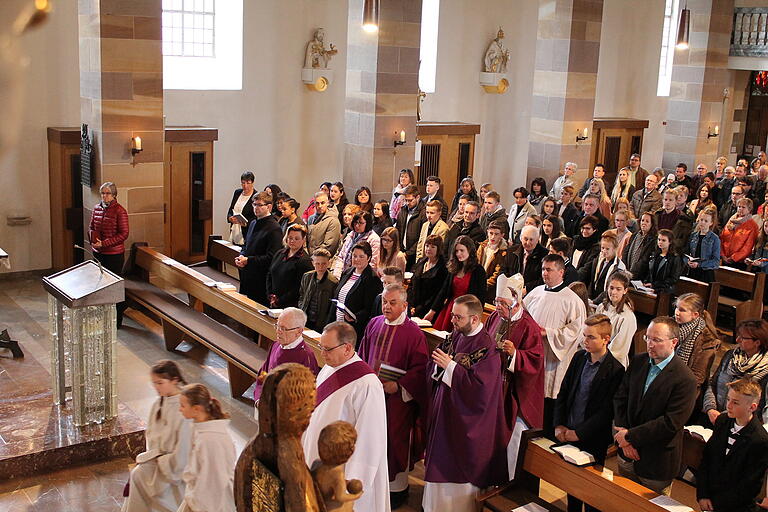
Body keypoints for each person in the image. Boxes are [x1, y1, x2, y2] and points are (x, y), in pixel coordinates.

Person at [423, 295, 510, 512]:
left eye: (458, 317)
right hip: (445, 414)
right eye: (453, 315)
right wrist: (439, 368)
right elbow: (436, 363)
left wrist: (450, 367)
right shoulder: (455, 335)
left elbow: (482, 390)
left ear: (474, 319)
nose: (452, 320)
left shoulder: (488, 348)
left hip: (467, 424)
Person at [303, 321, 390, 512]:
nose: (322, 354)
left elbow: (369, 439)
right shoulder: (328, 368)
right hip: (317, 461)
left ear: (347, 348)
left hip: (342, 473)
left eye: (327, 349)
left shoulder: (367, 385)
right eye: (321, 347)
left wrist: (350, 483)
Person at [357, 284, 429, 508]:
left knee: (393, 442)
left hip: (397, 403)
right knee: (369, 439)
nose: (386, 307)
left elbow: (420, 371)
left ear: (405, 305)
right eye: (384, 302)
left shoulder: (414, 333)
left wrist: (398, 386)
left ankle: (396, 491)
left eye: (392, 303)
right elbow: (362, 355)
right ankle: (369, 485)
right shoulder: (374, 323)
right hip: (372, 397)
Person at [613, 316, 697, 496]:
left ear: (674, 342)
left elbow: (670, 422)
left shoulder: (685, 379)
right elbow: (621, 398)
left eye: (656, 340)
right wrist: (624, 437)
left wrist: (630, 437)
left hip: (656, 460)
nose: (650, 344)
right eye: (648, 338)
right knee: (619, 502)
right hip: (626, 452)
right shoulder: (638, 361)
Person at [554, 314, 625, 512]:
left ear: (606, 339)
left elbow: (606, 411)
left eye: (591, 337)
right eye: (584, 336)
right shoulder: (578, 358)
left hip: (593, 438)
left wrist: (580, 433)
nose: (585, 340)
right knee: (572, 487)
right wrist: (559, 424)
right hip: (569, 431)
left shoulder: (615, 370)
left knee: (591, 491)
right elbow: (565, 391)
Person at [486, 274, 545, 479]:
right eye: (497, 302)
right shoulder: (495, 318)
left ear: (516, 302)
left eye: (503, 303)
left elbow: (536, 360)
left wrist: (515, 355)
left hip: (512, 392)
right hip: (491, 389)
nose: (498, 307)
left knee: (509, 440)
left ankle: (505, 481)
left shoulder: (530, 327)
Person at [524, 254, 587, 434]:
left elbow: (576, 332)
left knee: (548, 402)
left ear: (561, 272)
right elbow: (524, 317)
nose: (545, 273)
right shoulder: (535, 293)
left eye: (549, 270)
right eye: (543, 269)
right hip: (532, 355)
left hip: (553, 359)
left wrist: (548, 333)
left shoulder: (572, 300)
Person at [122, 361, 191, 512]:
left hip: (175, 466)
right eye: (154, 383)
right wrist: (152, 457)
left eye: (160, 383)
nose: (156, 387)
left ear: (174, 380)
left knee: (139, 475)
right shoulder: (158, 404)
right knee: (138, 474)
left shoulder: (184, 407)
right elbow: (151, 436)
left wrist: (163, 462)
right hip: (158, 459)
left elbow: (184, 448)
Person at [697, 378, 768, 512]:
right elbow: (707, 459)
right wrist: (703, 495)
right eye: (728, 399)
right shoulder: (723, 421)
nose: (728, 405)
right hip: (709, 498)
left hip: (734, 506)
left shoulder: (760, 439)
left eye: (735, 402)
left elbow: (749, 485)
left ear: (752, 407)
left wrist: (717, 504)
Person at [178, 384, 236, 512]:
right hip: (197, 495)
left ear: (196, 409)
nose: (179, 409)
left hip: (210, 503)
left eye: (183, 405)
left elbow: (213, 482)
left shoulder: (210, 440)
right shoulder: (200, 428)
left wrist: (197, 503)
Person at [703, 320, 768, 426]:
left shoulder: (765, 369)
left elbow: (761, 406)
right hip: (714, 417)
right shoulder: (730, 356)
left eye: (743, 338)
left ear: (757, 342)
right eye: (738, 336)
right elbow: (712, 384)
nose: (737, 340)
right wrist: (710, 408)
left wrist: (726, 416)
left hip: (741, 424)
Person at [252, 308, 319, 407]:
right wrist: (258, 399)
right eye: (277, 326)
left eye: (283, 328)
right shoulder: (276, 345)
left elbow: (305, 397)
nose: (278, 332)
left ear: (299, 331)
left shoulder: (306, 357)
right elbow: (263, 374)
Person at [88, 181, 130, 326]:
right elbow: (92, 226)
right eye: (103, 193)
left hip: (114, 254)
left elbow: (124, 234)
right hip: (98, 253)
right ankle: (102, 316)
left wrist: (104, 243)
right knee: (99, 285)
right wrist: (93, 240)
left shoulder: (120, 211)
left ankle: (117, 320)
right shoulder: (96, 208)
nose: (104, 196)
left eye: (107, 194)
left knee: (113, 287)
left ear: (114, 195)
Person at [235, 191, 284, 305]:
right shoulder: (253, 223)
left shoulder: (274, 228)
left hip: (261, 279)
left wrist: (248, 260)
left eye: (259, 205)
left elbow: (272, 257)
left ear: (269, 206)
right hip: (248, 274)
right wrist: (241, 255)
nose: (256, 208)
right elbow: (246, 245)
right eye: (254, 204)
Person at [328, 241, 383, 340]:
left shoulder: (372, 279)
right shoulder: (347, 272)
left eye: (361, 256)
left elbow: (369, 308)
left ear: (369, 258)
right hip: (337, 322)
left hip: (354, 328)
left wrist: (355, 316)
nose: (357, 259)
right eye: (354, 256)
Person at [430, 236, 486, 329]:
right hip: (451, 308)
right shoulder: (454, 267)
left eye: (462, 250)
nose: (458, 254)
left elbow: (480, 298)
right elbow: (443, 292)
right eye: (456, 251)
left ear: (470, 250)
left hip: (467, 312)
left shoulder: (478, 271)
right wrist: (432, 311)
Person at [673, 293, 720, 406]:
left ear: (695, 315)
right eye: (676, 307)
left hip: (685, 390)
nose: (677, 312)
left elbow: (697, 377)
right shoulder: (670, 326)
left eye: (682, 310)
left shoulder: (706, 340)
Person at [594, 271, 636, 368]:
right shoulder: (602, 307)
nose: (613, 292)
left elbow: (619, 348)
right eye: (611, 288)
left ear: (625, 291)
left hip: (612, 363)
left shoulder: (627, 317)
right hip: (596, 355)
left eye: (618, 289)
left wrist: (601, 356)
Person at [265, 224, 313, 308]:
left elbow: (298, 288)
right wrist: (270, 295)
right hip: (273, 300)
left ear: (303, 240)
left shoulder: (305, 261)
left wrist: (279, 300)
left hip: (289, 305)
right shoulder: (280, 253)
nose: (292, 241)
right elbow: (270, 274)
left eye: (296, 238)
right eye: (290, 238)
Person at [409, 235, 449, 320]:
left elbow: (437, 294)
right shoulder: (421, 261)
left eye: (433, 247)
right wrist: (410, 305)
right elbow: (412, 285)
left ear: (439, 249)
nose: (428, 249)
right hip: (413, 307)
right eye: (427, 246)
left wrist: (418, 309)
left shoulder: (443, 268)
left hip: (428, 310)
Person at [298, 248, 338, 332]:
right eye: (317, 263)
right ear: (313, 263)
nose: (320, 267)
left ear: (328, 263)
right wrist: (302, 307)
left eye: (323, 264)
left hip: (321, 322)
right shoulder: (306, 276)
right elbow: (301, 295)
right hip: (305, 318)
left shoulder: (333, 282)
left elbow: (332, 306)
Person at [578, 232, 626, 302]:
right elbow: (588, 275)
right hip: (593, 297)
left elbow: (610, 289)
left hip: (606, 300)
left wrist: (595, 301)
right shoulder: (598, 259)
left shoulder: (618, 267)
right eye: (602, 248)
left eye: (607, 249)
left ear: (615, 249)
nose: (604, 251)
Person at [332, 210, 380, 278]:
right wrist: (337, 274)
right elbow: (341, 256)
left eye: (361, 223)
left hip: (361, 277)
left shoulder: (374, 239)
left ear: (368, 223)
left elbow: (373, 264)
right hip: (344, 274)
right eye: (355, 222)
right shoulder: (351, 235)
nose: (357, 225)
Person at [639, 228, 682, 294]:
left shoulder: (674, 258)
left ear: (670, 242)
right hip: (650, 288)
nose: (660, 242)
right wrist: (646, 282)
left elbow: (673, 279)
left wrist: (655, 285)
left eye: (663, 240)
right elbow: (649, 272)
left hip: (664, 291)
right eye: (659, 239)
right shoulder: (654, 255)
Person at [721, 197, 759, 269]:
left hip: (738, 262)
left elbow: (748, 247)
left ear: (749, 209)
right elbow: (722, 238)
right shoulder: (731, 220)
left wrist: (733, 258)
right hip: (724, 258)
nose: (740, 209)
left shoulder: (753, 225)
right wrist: (722, 255)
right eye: (739, 207)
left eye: (743, 207)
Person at [395, 185, 426, 269]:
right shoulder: (403, 210)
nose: (408, 203)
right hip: (402, 251)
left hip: (415, 255)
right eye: (406, 200)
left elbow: (422, 238)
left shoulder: (424, 212)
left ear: (418, 197)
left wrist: (408, 253)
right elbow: (398, 230)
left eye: (410, 200)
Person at [687, 205, 721, 282]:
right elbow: (686, 253)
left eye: (706, 221)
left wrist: (699, 264)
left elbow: (716, 262)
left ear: (711, 223)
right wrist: (688, 261)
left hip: (705, 273)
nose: (702, 223)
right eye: (701, 220)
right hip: (692, 271)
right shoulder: (693, 235)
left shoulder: (714, 239)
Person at [477, 220, 510, 299]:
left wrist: (484, 285)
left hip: (490, 290)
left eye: (496, 234)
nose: (493, 237)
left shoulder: (503, 252)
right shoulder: (482, 246)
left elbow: (497, 274)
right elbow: (476, 263)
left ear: (502, 235)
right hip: (477, 282)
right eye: (491, 233)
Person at [510, 225, 547, 292]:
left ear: (537, 240)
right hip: (511, 289)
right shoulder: (511, 251)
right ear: (521, 238)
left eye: (531, 240)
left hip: (533, 292)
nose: (528, 243)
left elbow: (543, 278)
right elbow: (504, 271)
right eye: (526, 239)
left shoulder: (545, 255)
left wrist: (527, 288)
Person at [621, 211, 657, 279]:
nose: (644, 223)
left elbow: (644, 260)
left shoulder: (653, 240)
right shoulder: (634, 236)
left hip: (640, 275)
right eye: (642, 220)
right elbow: (625, 252)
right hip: (626, 271)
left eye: (647, 221)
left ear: (652, 224)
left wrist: (632, 273)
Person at [307, 192, 342, 256]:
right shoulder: (310, 219)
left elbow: (329, 245)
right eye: (317, 203)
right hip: (310, 257)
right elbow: (306, 241)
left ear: (327, 203)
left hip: (322, 259)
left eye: (322, 203)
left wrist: (314, 257)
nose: (320, 206)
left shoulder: (333, 221)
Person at [226, 171, 256, 245]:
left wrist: (246, 223)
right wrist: (230, 218)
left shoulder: (255, 196)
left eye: (248, 183)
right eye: (243, 183)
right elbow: (231, 208)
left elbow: (255, 217)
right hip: (234, 228)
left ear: (252, 183)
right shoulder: (237, 192)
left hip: (246, 231)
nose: (245, 186)